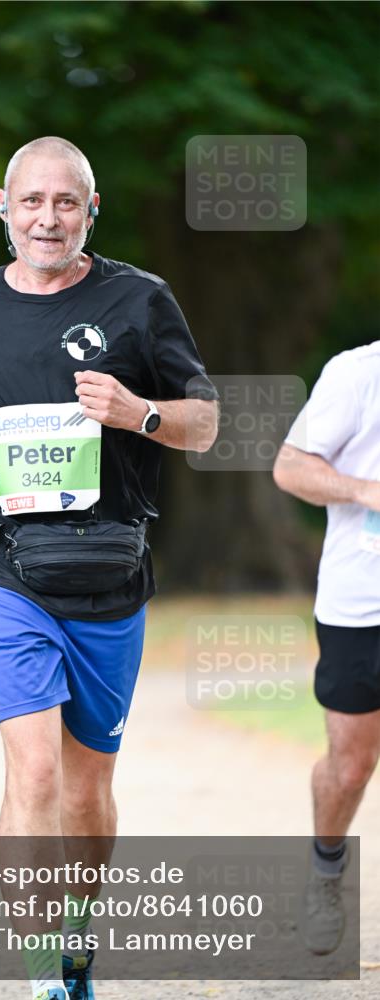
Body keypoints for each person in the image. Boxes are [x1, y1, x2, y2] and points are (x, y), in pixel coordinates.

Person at [0, 136, 218, 1000]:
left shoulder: (139, 299)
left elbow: (204, 422)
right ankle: (42, 973)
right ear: (3, 208)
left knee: (86, 791)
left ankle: (78, 943)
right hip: (4, 570)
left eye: (66, 202)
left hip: (109, 572)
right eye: (31, 201)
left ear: (90, 212)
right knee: (34, 770)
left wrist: (139, 414)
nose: (47, 218)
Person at [273, 341, 380, 955]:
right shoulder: (356, 374)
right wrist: (365, 491)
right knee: (352, 765)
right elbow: (290, 467)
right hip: (361, 603)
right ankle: (326, 867)